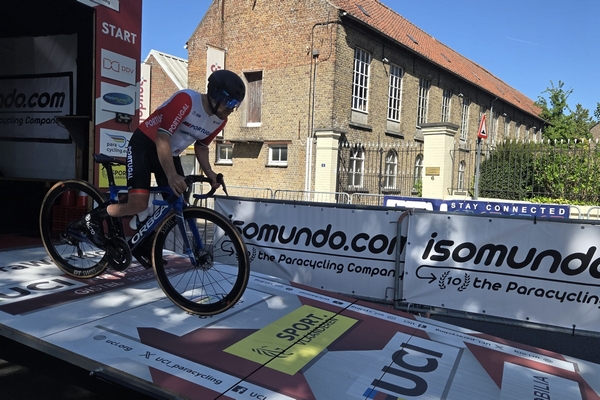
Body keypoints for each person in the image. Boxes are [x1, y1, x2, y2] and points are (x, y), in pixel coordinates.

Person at [79, 69, 246, 247]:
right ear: (216, 95)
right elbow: (162, 138)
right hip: (144, 146)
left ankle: (145, 238)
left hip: (169, 153)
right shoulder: (186, 100)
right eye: (230, 103)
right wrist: (172, 175)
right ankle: (92, 219)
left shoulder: (220, 120)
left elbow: (202, 146)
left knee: (177, 203)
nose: (232, 109)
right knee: (138, 203)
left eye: (236, 104)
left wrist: (210, 172)